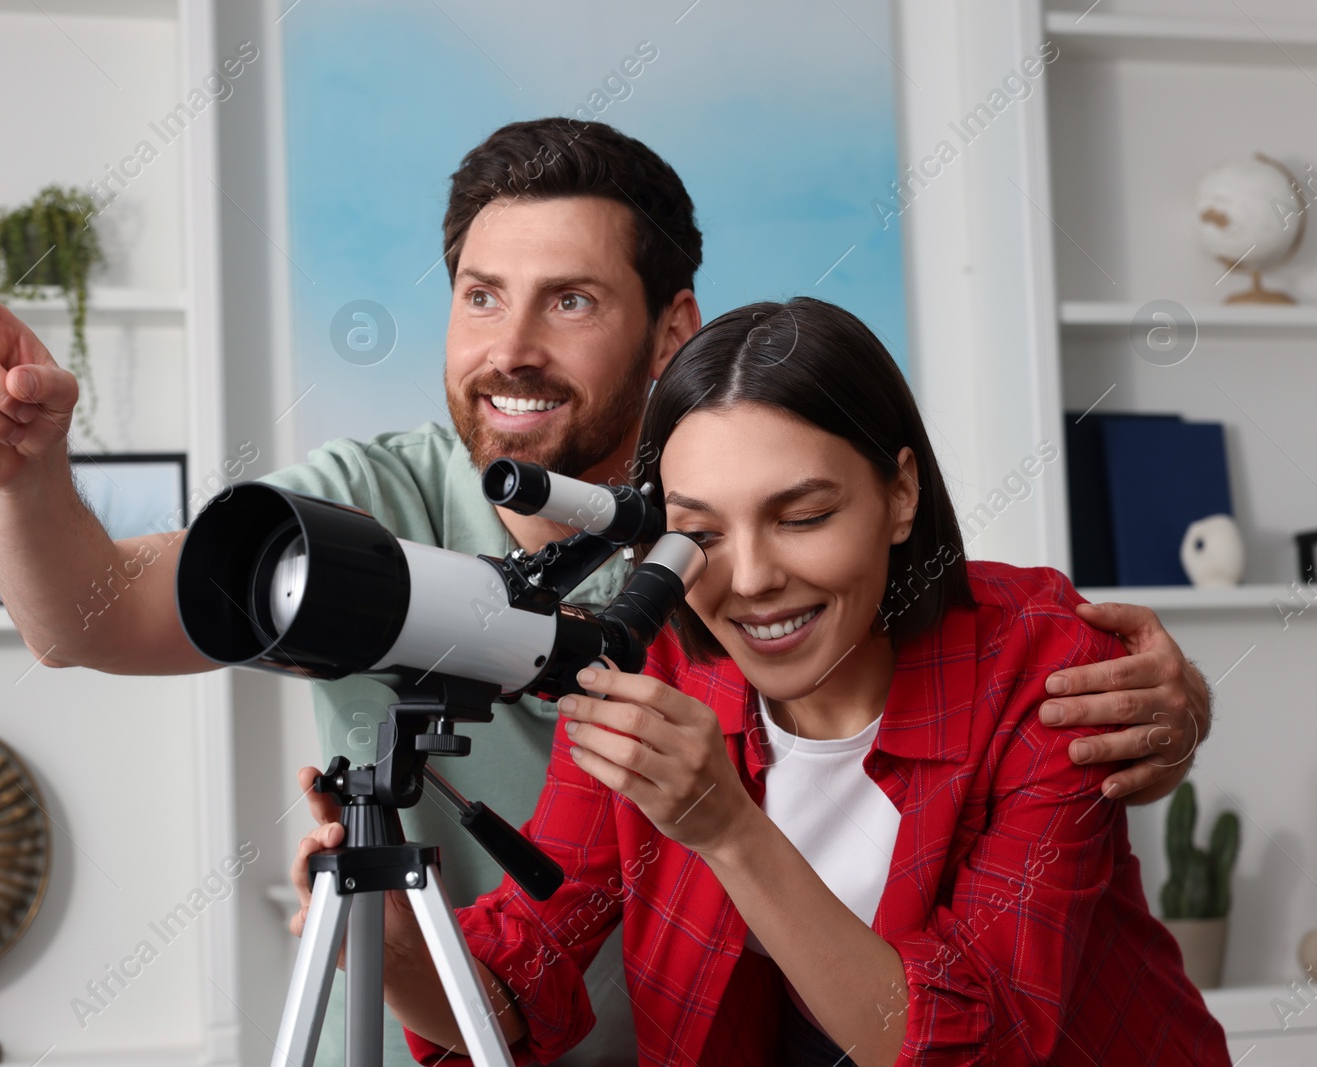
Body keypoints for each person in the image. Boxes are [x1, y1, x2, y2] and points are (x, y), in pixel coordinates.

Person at [0, 119, 1211, 1062]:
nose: (511, 346)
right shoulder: (599, 627)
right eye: (481, 296)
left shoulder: (1016, 653)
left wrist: (1180, 697)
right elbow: (86, 615)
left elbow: (963, 1031)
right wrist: (22, 478)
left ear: (669, 327)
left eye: (571, 298)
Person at [293, 298, 1232, 1065]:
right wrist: (397, 960)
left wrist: (728, 825)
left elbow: (978, 1042)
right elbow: (522, 980)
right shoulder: (657, 666)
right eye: (699, 533)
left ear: (900, 493)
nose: (746, 580)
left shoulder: (1040, 663)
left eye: (804, 515)